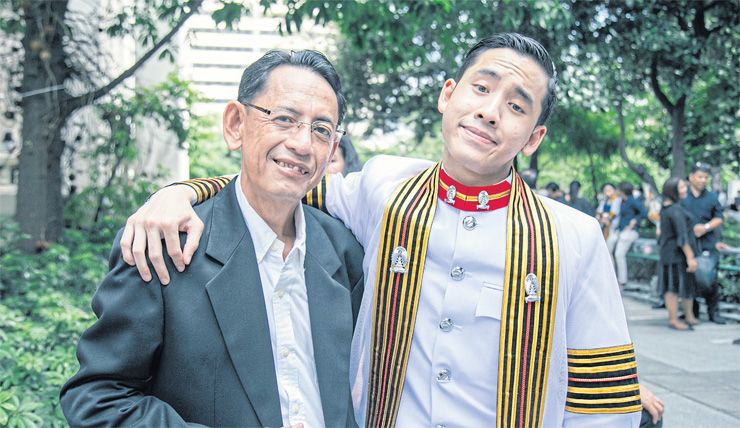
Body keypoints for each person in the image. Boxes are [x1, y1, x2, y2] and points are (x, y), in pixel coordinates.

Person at [120, 34, 643, 426]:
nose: (489, 112)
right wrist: (180, 193)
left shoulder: (573, 238)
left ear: (533, 137)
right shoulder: (384, 189)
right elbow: (279, 183)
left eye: (516, 106)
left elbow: (605, 401)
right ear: (448, 95)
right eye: (481, 88)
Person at [59, 50, 365, 427]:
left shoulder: (345, 252)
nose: (303, 144)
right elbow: (100, 397)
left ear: (333, 148)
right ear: (236, 124)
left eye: (321, 130)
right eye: (284, 119)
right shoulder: (164, 245)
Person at [681, 163, 727, 324]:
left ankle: (714, 312)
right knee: (690, 278)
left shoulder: (712, 197)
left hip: (708, 243)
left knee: (710, 279)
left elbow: (719, 218)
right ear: (691, 177)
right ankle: (692, 312)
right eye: (700, 177)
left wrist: (705, 227)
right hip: (688, 244)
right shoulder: (683, 196)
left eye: (705, 177)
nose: (703, 180)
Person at [658, 177, 699, 330]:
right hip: (675, 253)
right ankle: (674, 319)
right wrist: (690, 257)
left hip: (670, 252)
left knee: (683, 284)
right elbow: (682, 236)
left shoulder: (667, 207)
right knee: (672, 286)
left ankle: (689, 316)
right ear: (673, 190)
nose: (685, 189)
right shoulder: (675, 209)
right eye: (681, 187)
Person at [614, 181, 647, 287]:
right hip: (621, 230)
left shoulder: (633, 201)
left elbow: (644, 212)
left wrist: (635, 220)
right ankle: (614, 277)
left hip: (630, 231)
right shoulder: (622, 201)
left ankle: (622, 280)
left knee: (619, 254)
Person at [596, 182, 621, 252]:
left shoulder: (617, 200)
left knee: (608, 250)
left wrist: (604, 219)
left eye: (609, 190)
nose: (607, 191)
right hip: (603, 228)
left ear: (614, 190)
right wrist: (601, 218)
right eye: (605, 190)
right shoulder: (604, 201)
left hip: (614, 229)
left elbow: (614, 213)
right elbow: (598, 213)